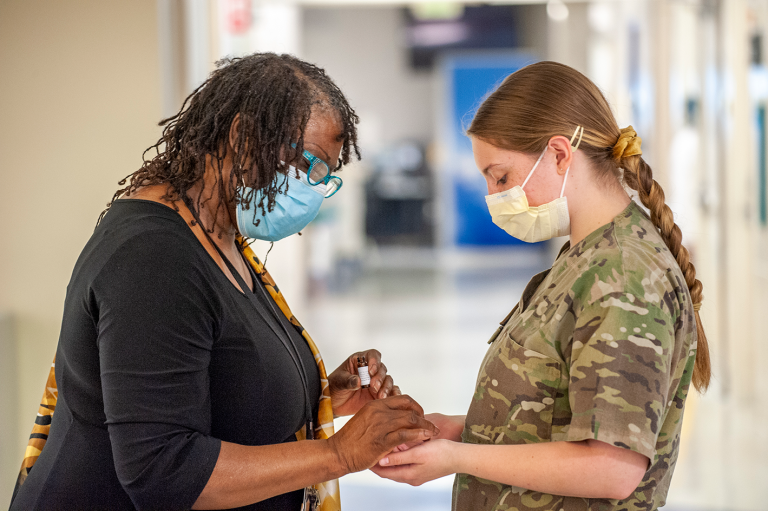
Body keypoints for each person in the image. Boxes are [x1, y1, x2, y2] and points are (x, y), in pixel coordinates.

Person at [10, 53, 438, 511]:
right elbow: (165, 470)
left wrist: (323, 394)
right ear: (242, 136)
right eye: (309, 163)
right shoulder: (153, 258)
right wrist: (339, 453)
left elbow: (215, 383)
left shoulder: (218, 237)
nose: (314, 187)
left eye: (325, 175)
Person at [372, 61, 710, 511]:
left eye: (501, 176)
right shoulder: (585, 255)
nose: (494, 195)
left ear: (558, 154)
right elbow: (554, 413)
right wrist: (461, 429)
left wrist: (456, 457)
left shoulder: (624, 276)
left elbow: (612, 468)